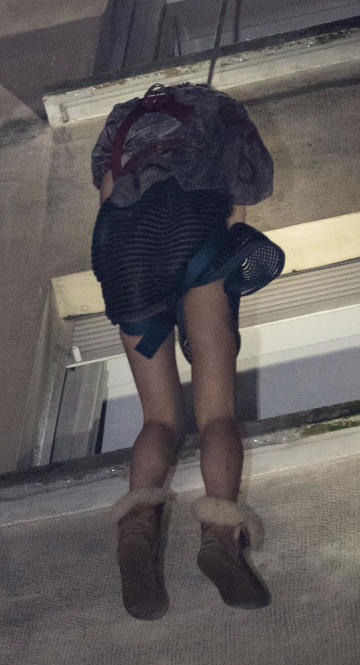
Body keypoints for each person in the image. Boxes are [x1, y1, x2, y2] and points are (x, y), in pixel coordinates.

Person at [91, 82, 284, 621]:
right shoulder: (221, 115)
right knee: (216, 410)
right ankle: (221, 533)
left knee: (158, 417)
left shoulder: (119, 124)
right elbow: (239, 206)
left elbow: (107, 197)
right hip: (195, 230)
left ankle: (137, 530)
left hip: (123, 253)